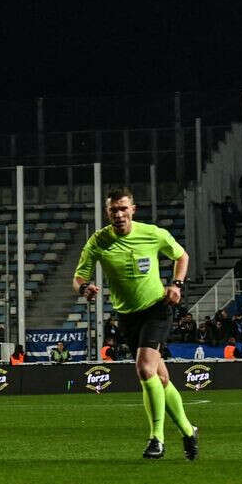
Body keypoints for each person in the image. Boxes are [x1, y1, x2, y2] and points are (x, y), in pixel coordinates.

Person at [74, 187, 200, 460]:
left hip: (156, 309)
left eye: (123, 208)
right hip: (127, 316)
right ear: (107, 213)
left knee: (144, 369)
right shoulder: (98, 241)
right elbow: (79, 277)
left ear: (133, 209)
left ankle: (157, 438)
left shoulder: (152, 233)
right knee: (161, 378)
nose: (118, 214)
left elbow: (181, 256)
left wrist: (177, 285)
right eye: (113, 210)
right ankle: (189, 432)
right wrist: (85, 289)